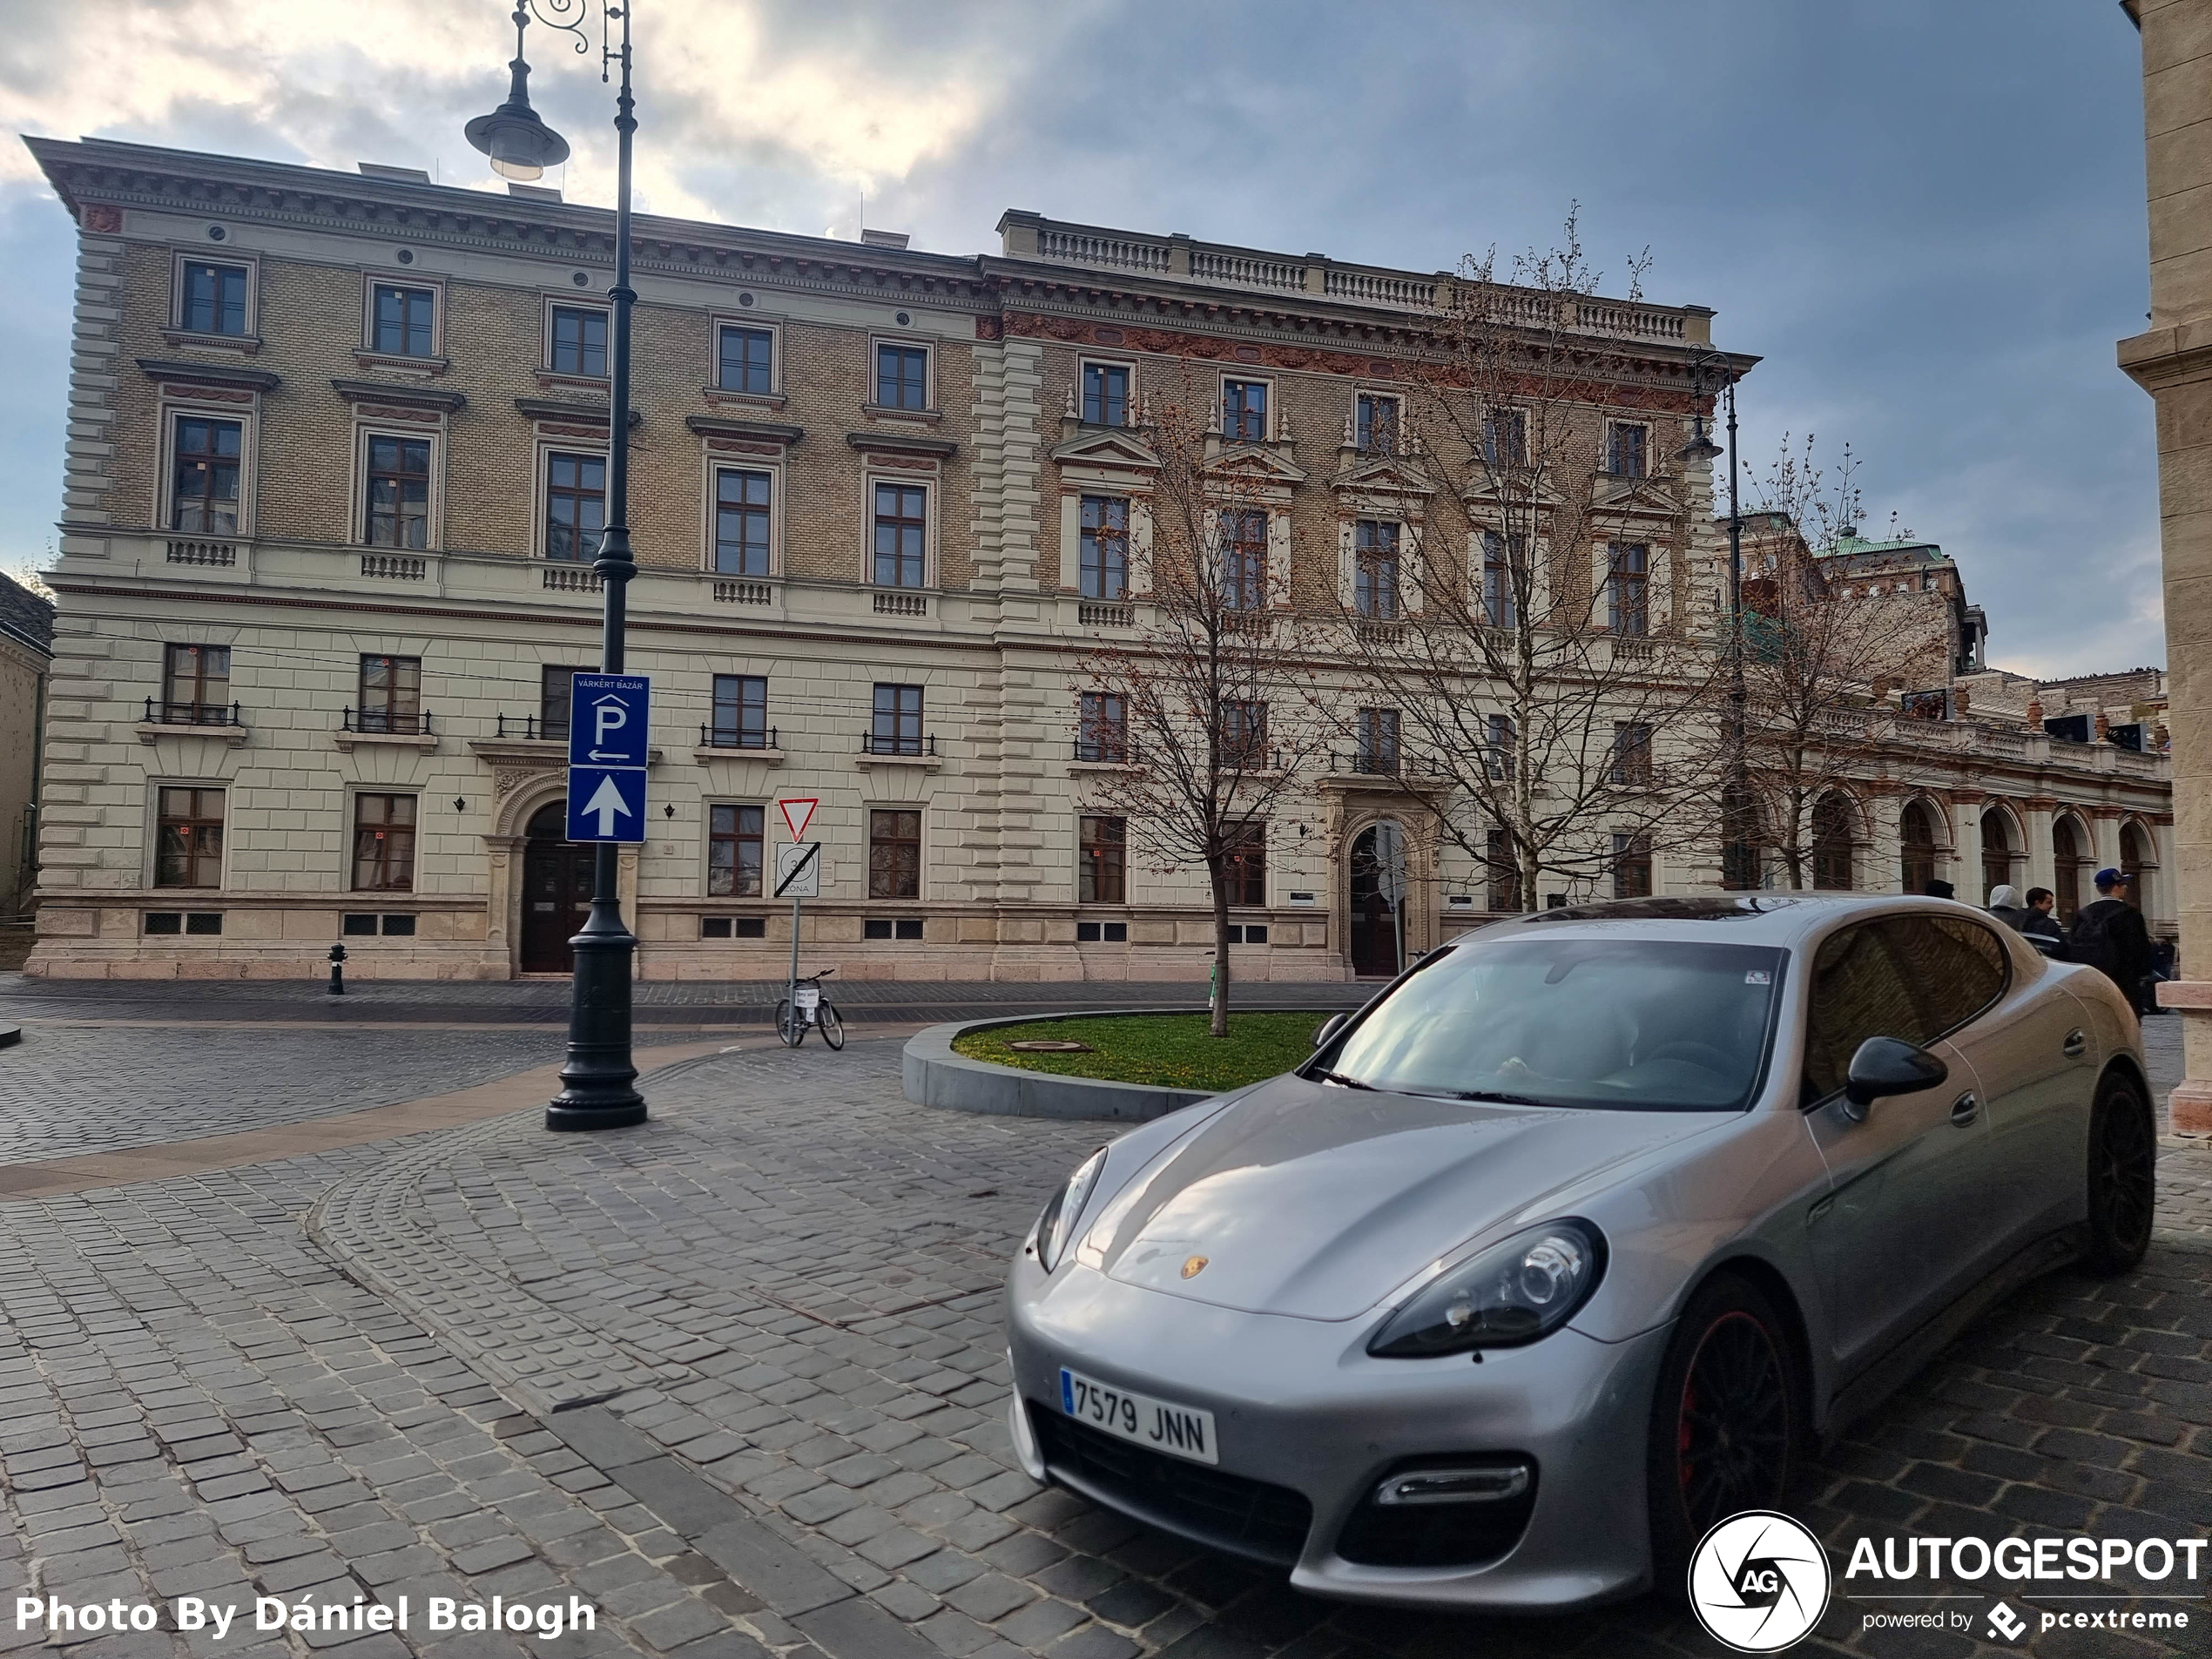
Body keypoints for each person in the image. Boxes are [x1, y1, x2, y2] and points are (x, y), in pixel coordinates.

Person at [2068, 868, 2156, 1014]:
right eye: (2123, 884)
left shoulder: (2083, 913)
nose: (2126, 887)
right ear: (2116, 886)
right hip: (2124, 980)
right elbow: (2140, 948)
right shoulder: (2130, 914)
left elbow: (2071, 944)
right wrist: (2142, 975)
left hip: (2093, 978)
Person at [2020, 887, 2067, 952]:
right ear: (2037, 903)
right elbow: (2060, 948)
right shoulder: (2049, 924)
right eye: (2049, 902)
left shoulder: (2016, 918)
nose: (2052, 905)